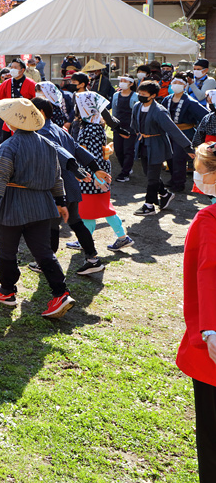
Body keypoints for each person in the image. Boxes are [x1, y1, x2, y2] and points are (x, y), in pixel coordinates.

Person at [0, 98, 74, 318]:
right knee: (43, 252)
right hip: (43, 206)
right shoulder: (47, 144)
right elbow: (57, 177)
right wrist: (61, 202)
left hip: (13, 205)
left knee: (7, 251)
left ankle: (7, 291)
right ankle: (60, 293)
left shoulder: (9, 146)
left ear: (11, 122)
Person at [32, 96, 111, 278]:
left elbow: (60, 153)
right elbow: (76, 148)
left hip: (58, 185)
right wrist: (95, 168)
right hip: (71, 185)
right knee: (75, 222)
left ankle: (46, 262)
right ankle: (93, 260)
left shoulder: (43, 131)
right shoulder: (58, 129)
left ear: (41, 112)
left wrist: (80, 169)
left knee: (52, 225)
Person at [176, 142, 216, 483]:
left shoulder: (209, 219)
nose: (196, 173)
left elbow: (207, 273)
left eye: (201, 167)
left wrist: (210, 330)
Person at [73, 92, 134, 252]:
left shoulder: (89, 128)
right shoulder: (96, 125)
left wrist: (93, 173)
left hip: (92, 174)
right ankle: (122, 237)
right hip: (98, 173)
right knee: (103, 207)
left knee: (88, 210)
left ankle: (84, 241)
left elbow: (90, 155)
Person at [130, 81, 196, 216]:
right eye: (139, 93)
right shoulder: (137, 106)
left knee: (152, 176)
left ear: (153, 95)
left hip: (157, 144)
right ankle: (165, 194)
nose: (140, 96)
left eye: (144, 94)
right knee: (148, 173)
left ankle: (149, 205)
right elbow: (134, 124)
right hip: (143, 143)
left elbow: (173, 130)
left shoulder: (159, 111)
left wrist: (187, 147)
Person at [161, 77, 208, 193]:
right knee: (169, 157)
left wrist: (198, 129)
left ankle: (179, 183)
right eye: (174, 83)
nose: (176, 85)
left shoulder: (190, 101)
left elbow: (204, 115)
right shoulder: (167, 99)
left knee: (179, 158)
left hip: (184, 133)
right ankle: (173, 179)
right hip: (169, 133)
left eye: (179, 83)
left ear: (184, 85)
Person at [0, 58, 37, 141]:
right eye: (11, 67)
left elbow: (37, 101)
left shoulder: (31, 84)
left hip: (25, 120)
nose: (13, 69)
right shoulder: (6, 83)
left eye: (15, 67)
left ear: (22, 70)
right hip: (9, 121)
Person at [111, 76, 139, 183]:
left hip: (130, 127)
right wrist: (113, 125)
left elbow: (137, 113)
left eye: (125, 81)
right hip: (118, 126)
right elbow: (114, 111)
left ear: (131, 84)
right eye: (121, 81)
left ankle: (125, 173)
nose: (122, 83)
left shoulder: (135, 96)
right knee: (118, 150)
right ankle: (126, 167)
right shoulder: (116, 95)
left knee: (128, 150)